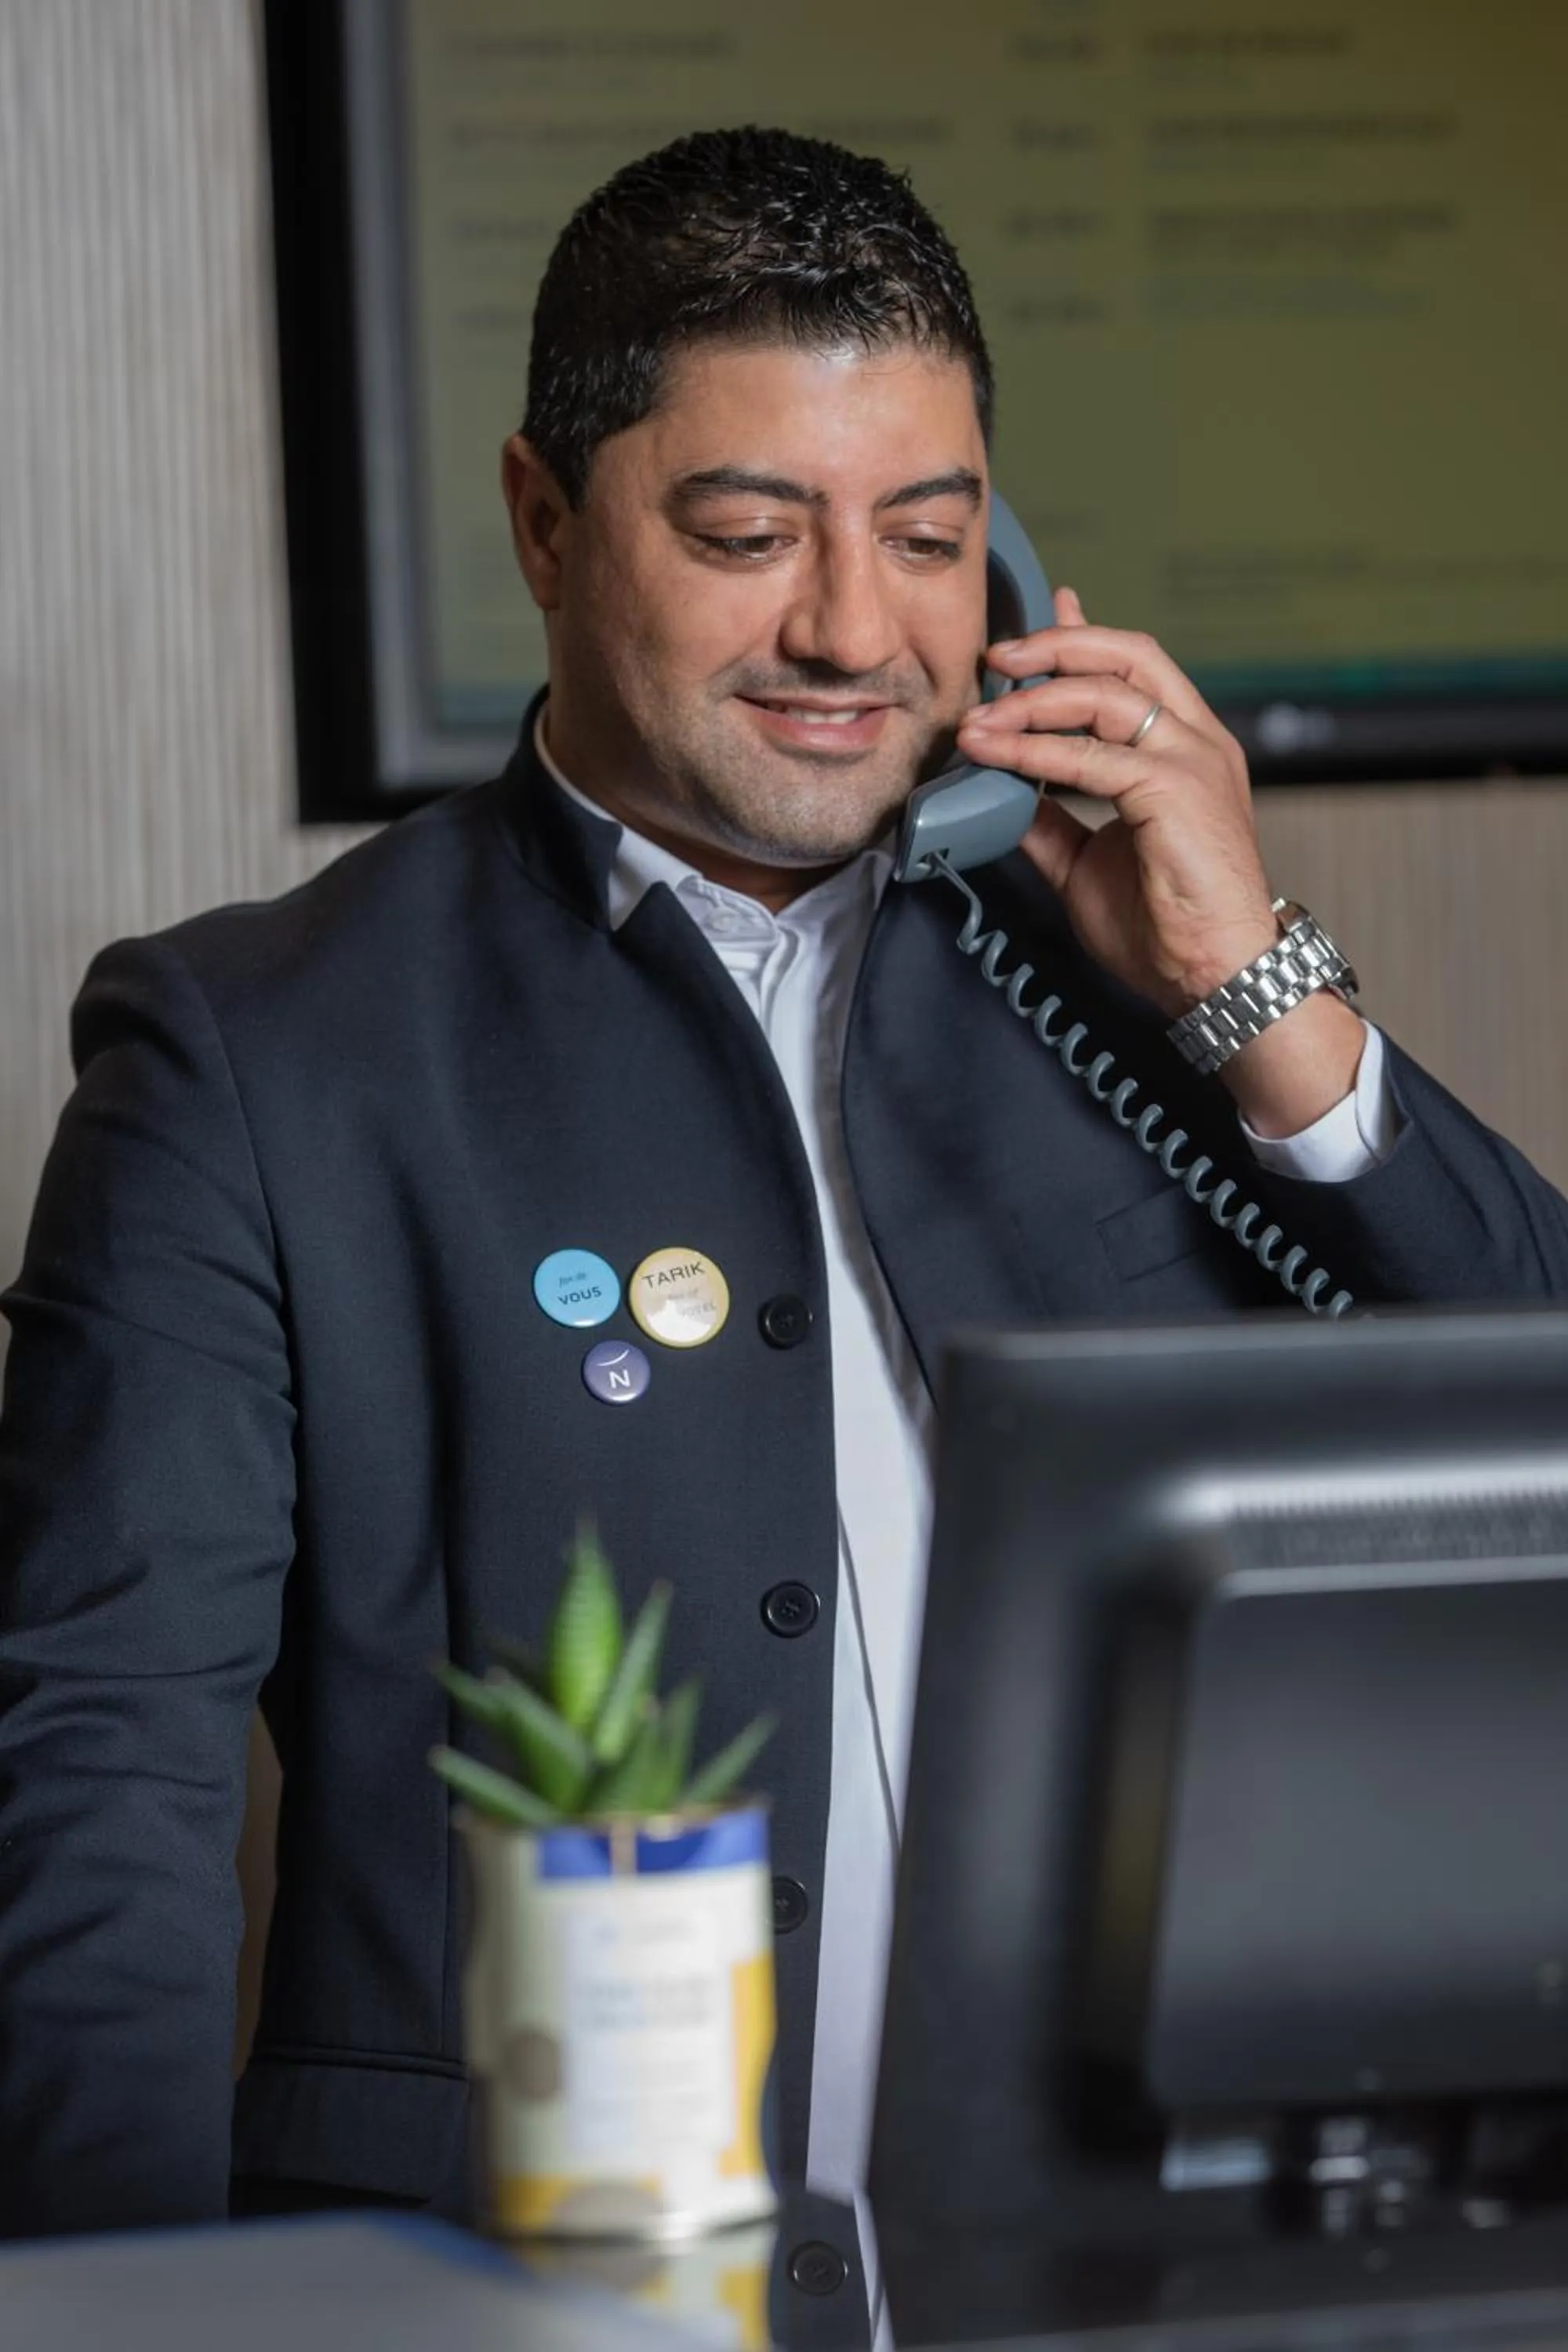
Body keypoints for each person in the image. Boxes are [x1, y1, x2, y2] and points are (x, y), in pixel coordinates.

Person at [2, 124, 1566, 2245]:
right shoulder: (249, 1054)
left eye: (926, 539)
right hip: (522, 2279)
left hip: (1157, 2255)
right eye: (750, 532)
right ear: (544, 523)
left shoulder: (1128, 975)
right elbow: (102, 1780)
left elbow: (1523, 1450)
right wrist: (121, 2306)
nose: (855, 629)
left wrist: (1256, 990)